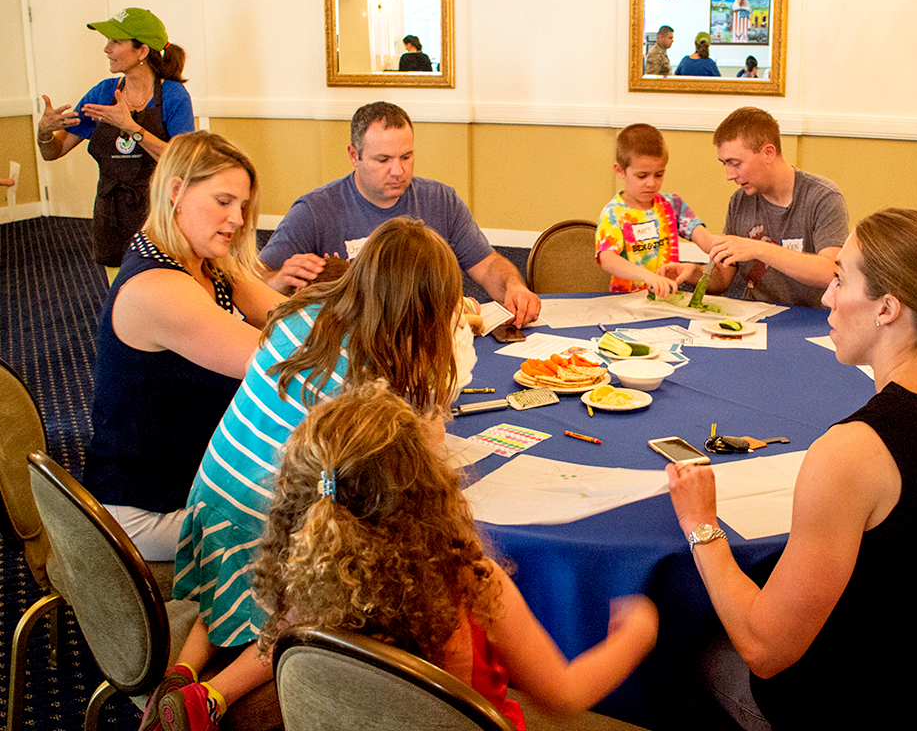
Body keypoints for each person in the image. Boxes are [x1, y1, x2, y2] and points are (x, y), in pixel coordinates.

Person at [667, 208, 917, 729]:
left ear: (887, 308)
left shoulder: (853, 451)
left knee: (683, 655)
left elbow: (765, 649)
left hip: (875, 708)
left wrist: (703, 525)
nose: (827, 298)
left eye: (838, 279)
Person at [143, 217, 475, 731]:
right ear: (422, 312)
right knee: (313, 596)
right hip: (266, 527)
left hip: (215, 503)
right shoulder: (368, 379)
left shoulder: (308, 316)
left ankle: (182, 671)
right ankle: (210, 696)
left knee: (229, 580)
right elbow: (406, 468)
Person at [253, 381, 660, 730]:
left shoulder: (302, 581)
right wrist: (636, 633)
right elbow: (563, 695)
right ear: (431, 490)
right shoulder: (469, 580)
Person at [82, 131, 282, 562]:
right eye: (224, 201)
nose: (239, 219)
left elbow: (293, 318)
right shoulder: (158, 287)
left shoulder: (208, 264)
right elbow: (280, 362)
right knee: (318, 530)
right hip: (142, 511)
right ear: (176, 191)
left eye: (243, 206)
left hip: (190, 481)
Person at [259, 101, 541, 326]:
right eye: (383, 160)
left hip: (431, 344)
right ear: (354, 156)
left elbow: (488, 265)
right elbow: (251, 279)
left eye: (406, 157)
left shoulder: (441, 200)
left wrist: (514, 287)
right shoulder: (315, 211)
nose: (398, 171)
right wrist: (276, 280)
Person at [36, 8, 195, 266]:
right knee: (120, 295)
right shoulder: (102, 93)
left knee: (160, 292)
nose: (106, 49)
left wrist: (132, 127)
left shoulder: (173, 95)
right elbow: (53, 152)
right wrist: (44, 133)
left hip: (159, 214)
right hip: (111, 214)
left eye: (115, 42)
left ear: (142, 51)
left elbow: (184, 161)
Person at [660, 107, 849, 307]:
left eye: (735, 163)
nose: (729, 175)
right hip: (756, 319)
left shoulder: (823, 197)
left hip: (812, 320)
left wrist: (759, 249)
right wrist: (695, 272)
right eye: (725, 164)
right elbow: (724, 278)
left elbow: (831, 272)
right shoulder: (740, 201)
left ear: (768, 153)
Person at [595, 123, 714, 295]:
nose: (651, 183)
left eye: (659, 174)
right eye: (642, 176)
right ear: (620, 171)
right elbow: (608, 260)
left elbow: (704, 240)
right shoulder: (614, 213)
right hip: (626, 302)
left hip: (668, 299)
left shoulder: (673, 205)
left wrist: (723, 246)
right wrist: (649, 277)